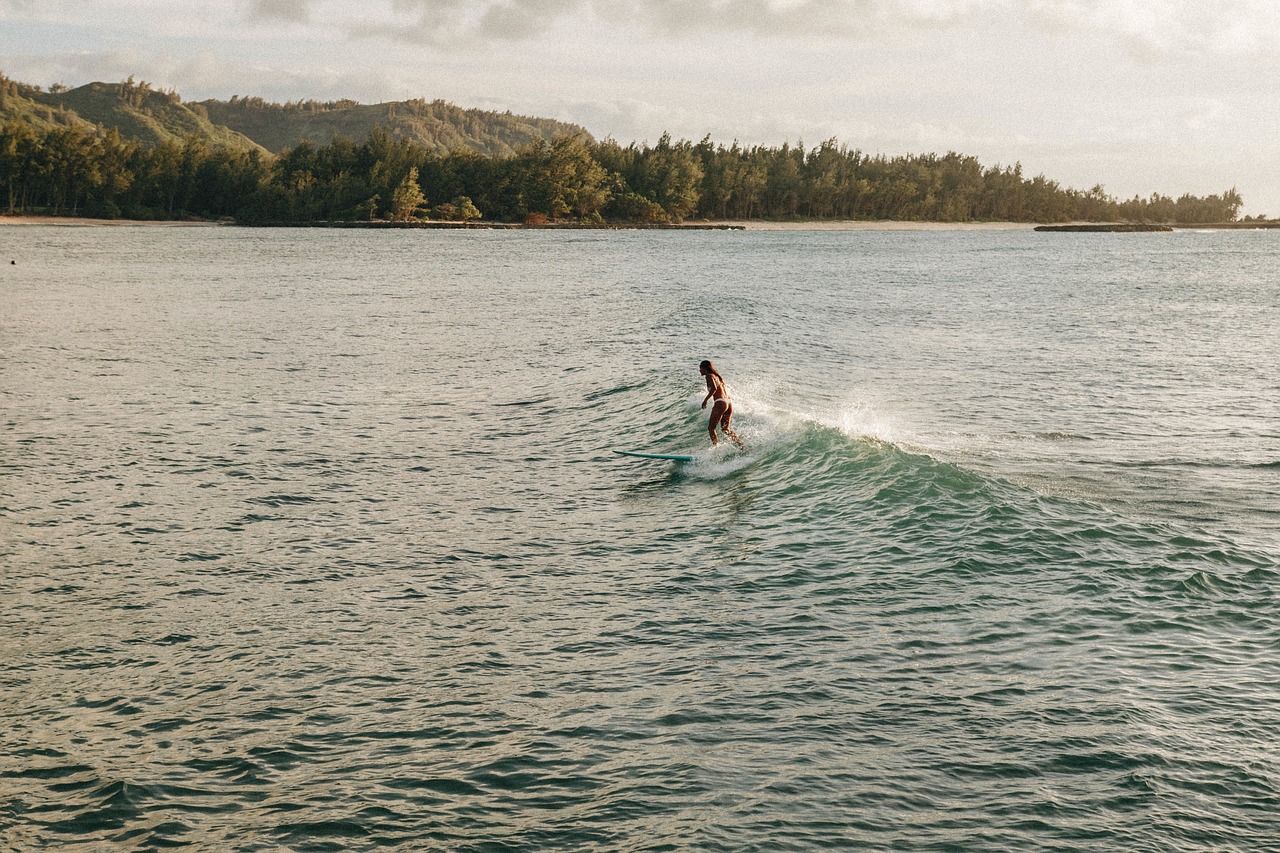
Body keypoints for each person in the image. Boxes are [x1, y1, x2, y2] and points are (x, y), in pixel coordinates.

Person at [699, 360, 745, 448]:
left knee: (711, 428)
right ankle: (741, 445)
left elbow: (714, 389)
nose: (699, 371)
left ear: (704, 369)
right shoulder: (717, 376)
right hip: (728, 403)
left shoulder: (709, 376)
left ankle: (715, 449)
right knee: (725, 429)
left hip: (720, 402)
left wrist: (705, 400)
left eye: (700, 368)